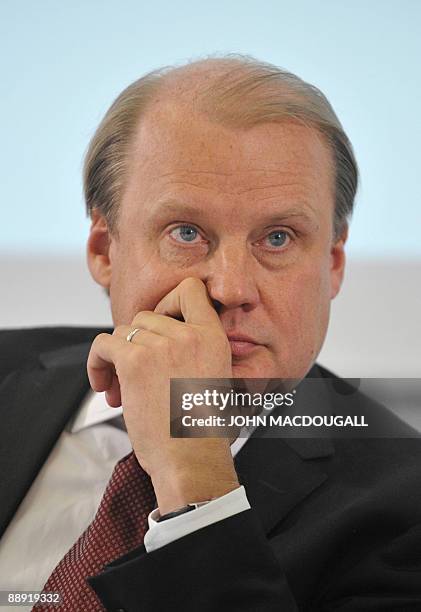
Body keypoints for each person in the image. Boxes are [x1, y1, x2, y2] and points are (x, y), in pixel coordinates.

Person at [0, 55, 420, 612]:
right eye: (186, 232)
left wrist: (195, 485)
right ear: (105, 250)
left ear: (334, 264)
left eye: (278, 238)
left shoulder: (405, 507)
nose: (230, 287)